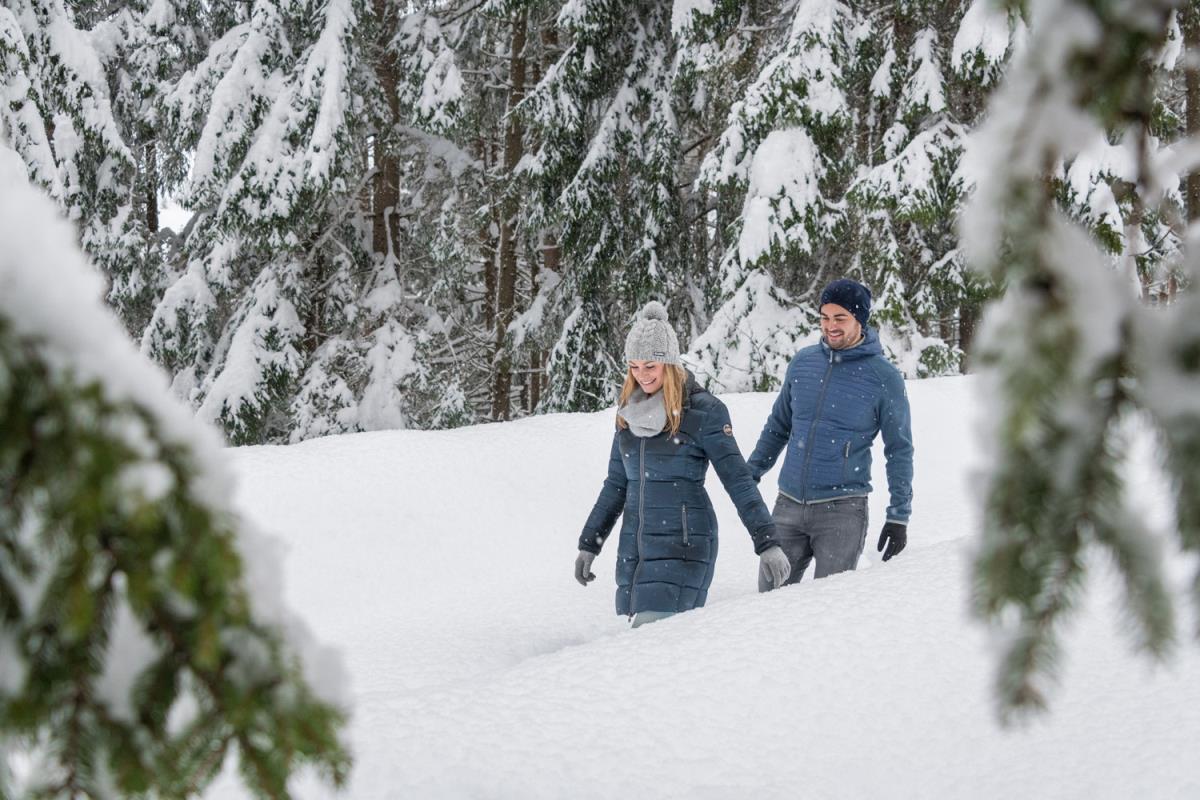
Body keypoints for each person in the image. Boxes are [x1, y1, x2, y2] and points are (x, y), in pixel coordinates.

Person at [574, 301, 792, 626]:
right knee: (649, 646)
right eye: (634, 366)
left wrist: (767, 542)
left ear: (670, 363)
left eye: (650, 366)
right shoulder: (628, 414)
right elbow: (616, 485)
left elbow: (738, 481)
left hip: (686, 545)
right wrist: (590, 542)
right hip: (637, 547)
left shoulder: (704, 412)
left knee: (652, 635)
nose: (642, 375)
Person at [748, 278, 913, 591]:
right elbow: (779, 425)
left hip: (843, 512)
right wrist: (751, 472)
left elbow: (899, 449)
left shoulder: (883, 377)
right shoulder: (803, 363)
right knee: (767, 604)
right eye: (824, 317)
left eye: (840, 318)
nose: (830, 326)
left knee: (827, 608)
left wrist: (899, 515)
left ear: (859, 320)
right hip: (787, 506)